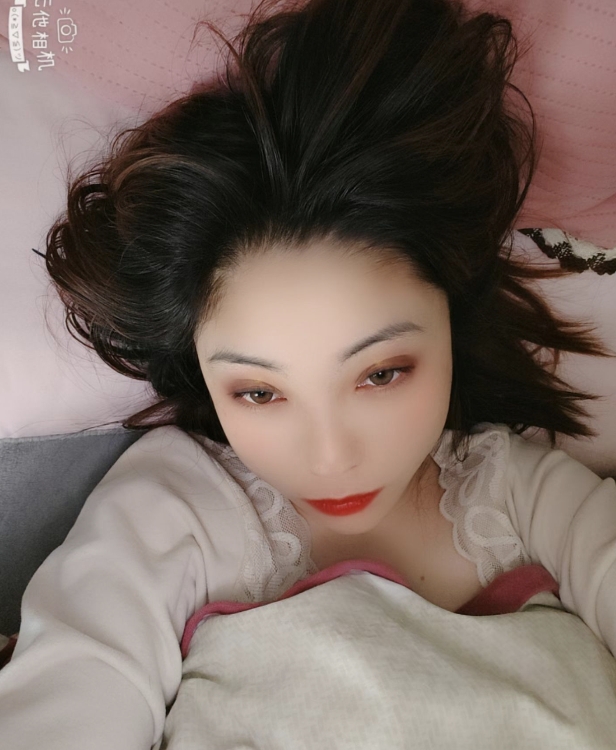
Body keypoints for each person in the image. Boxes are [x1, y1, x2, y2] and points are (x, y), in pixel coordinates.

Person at [1, 0, 615, 747]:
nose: (330, 457)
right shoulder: (179, 511)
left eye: (381, 374)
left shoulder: (533, 500)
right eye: (259, 393)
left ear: (451, 320)